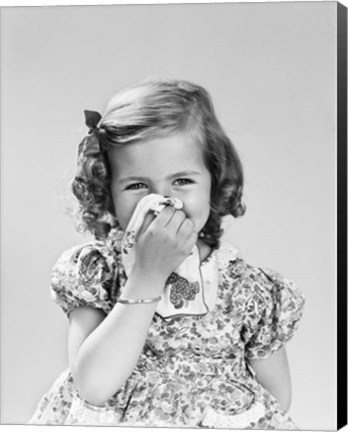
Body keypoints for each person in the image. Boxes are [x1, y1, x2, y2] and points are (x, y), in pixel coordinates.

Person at [29, 78, 305, 428]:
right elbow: (94, 386)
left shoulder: (248, 288)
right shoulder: (97, 272)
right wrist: (146, 276)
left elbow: (275, 400)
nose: (162, 202)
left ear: (214, 181)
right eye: (137, 185)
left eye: (182, 181)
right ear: (108, 190)